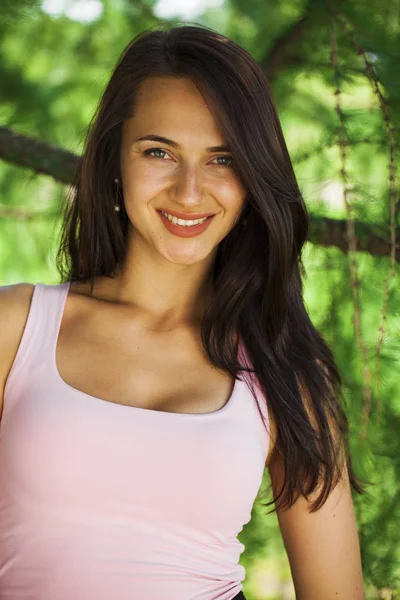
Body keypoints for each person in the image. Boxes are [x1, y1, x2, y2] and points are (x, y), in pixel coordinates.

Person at [0, 23, 367, 600]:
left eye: (221, 158)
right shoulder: (15, 328)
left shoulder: (287, 374)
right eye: (158, 152)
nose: (190, 191)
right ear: (114, 160)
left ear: (253, 177)